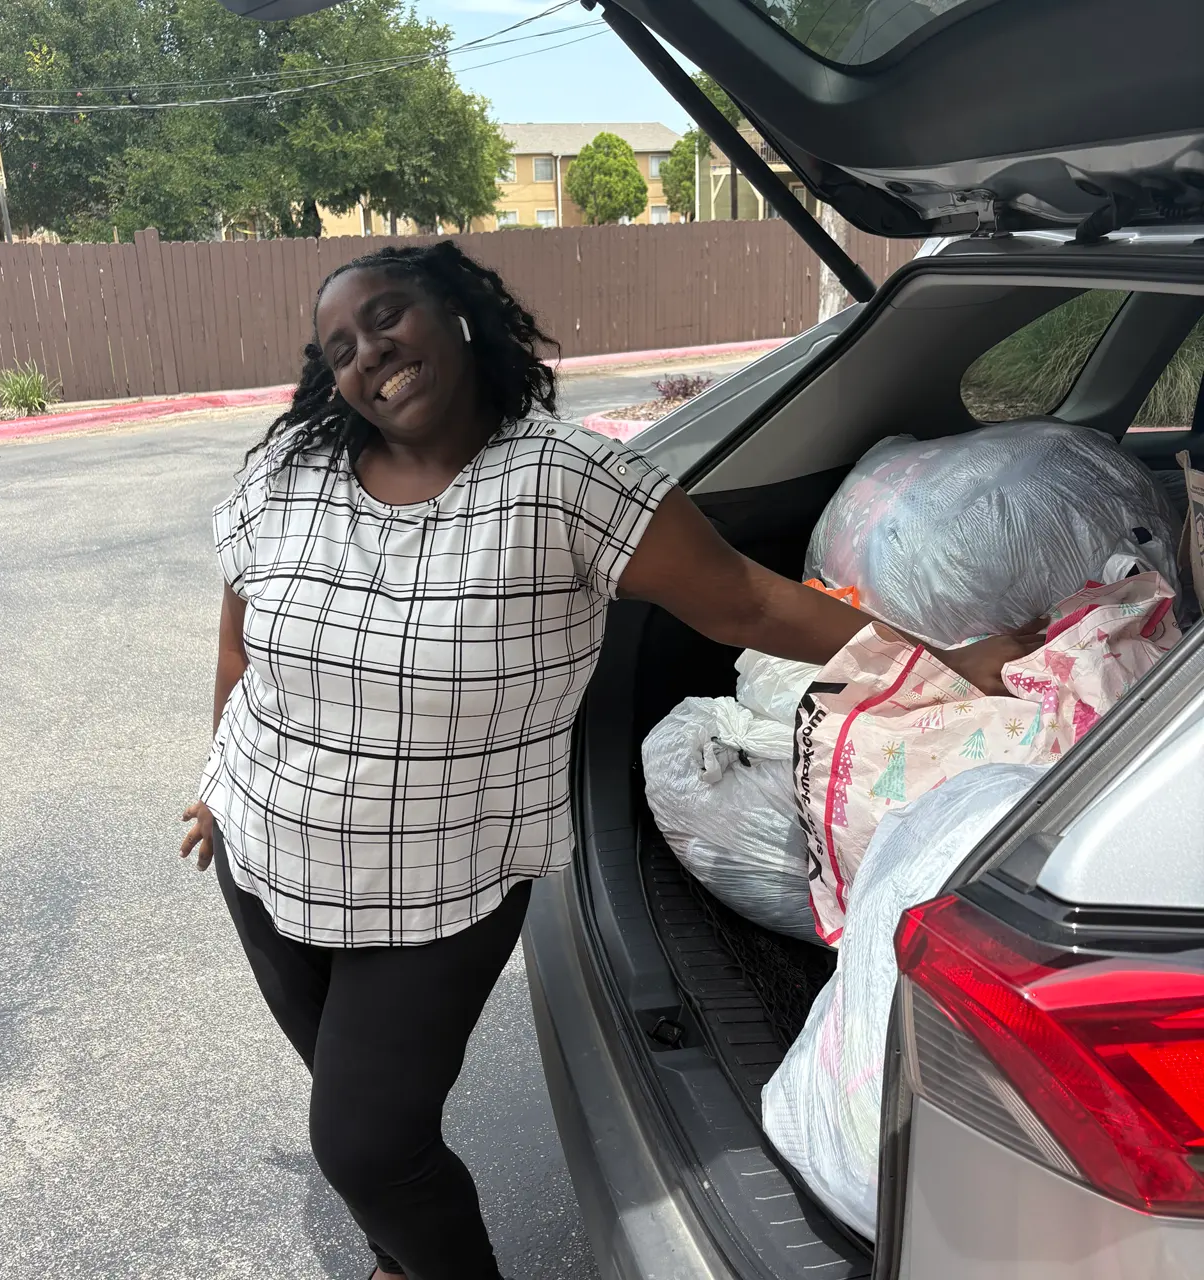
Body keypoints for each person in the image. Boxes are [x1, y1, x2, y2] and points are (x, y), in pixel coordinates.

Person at [179, 241, 1038, 1280]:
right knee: (361, 1110)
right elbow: (240, 636)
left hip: (439, 882)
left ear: (455, 312)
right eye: (340, 348)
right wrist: (215, 778)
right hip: (258, 846)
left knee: (361, 1139)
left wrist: (948, 658)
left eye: (387, 315)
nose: (369, 354)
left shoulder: (562, 481)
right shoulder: (289, 469)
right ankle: (398, 1248)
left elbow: (748, 599)